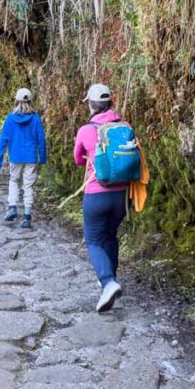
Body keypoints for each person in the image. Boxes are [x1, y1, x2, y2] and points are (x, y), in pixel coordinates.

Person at [74, 83, 129, 312]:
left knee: (93, 240)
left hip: (97, 194)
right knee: (110, 236)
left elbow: (78, 159)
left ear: (91, 105)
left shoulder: (87, 130)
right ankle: (111, 278)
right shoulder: (125, 126)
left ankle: (107, 283)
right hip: (122, 195)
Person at [0, 88, 47, 230]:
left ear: (16, 100)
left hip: (15, 157)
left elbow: (3, 139)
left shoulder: (10, 119)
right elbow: (41, 140)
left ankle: (12, 208)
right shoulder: (35, 119)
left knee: (14, 180)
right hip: (31, 157)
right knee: (28, 185)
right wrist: (42, 157)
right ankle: (27, 216)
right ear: (30, 101)